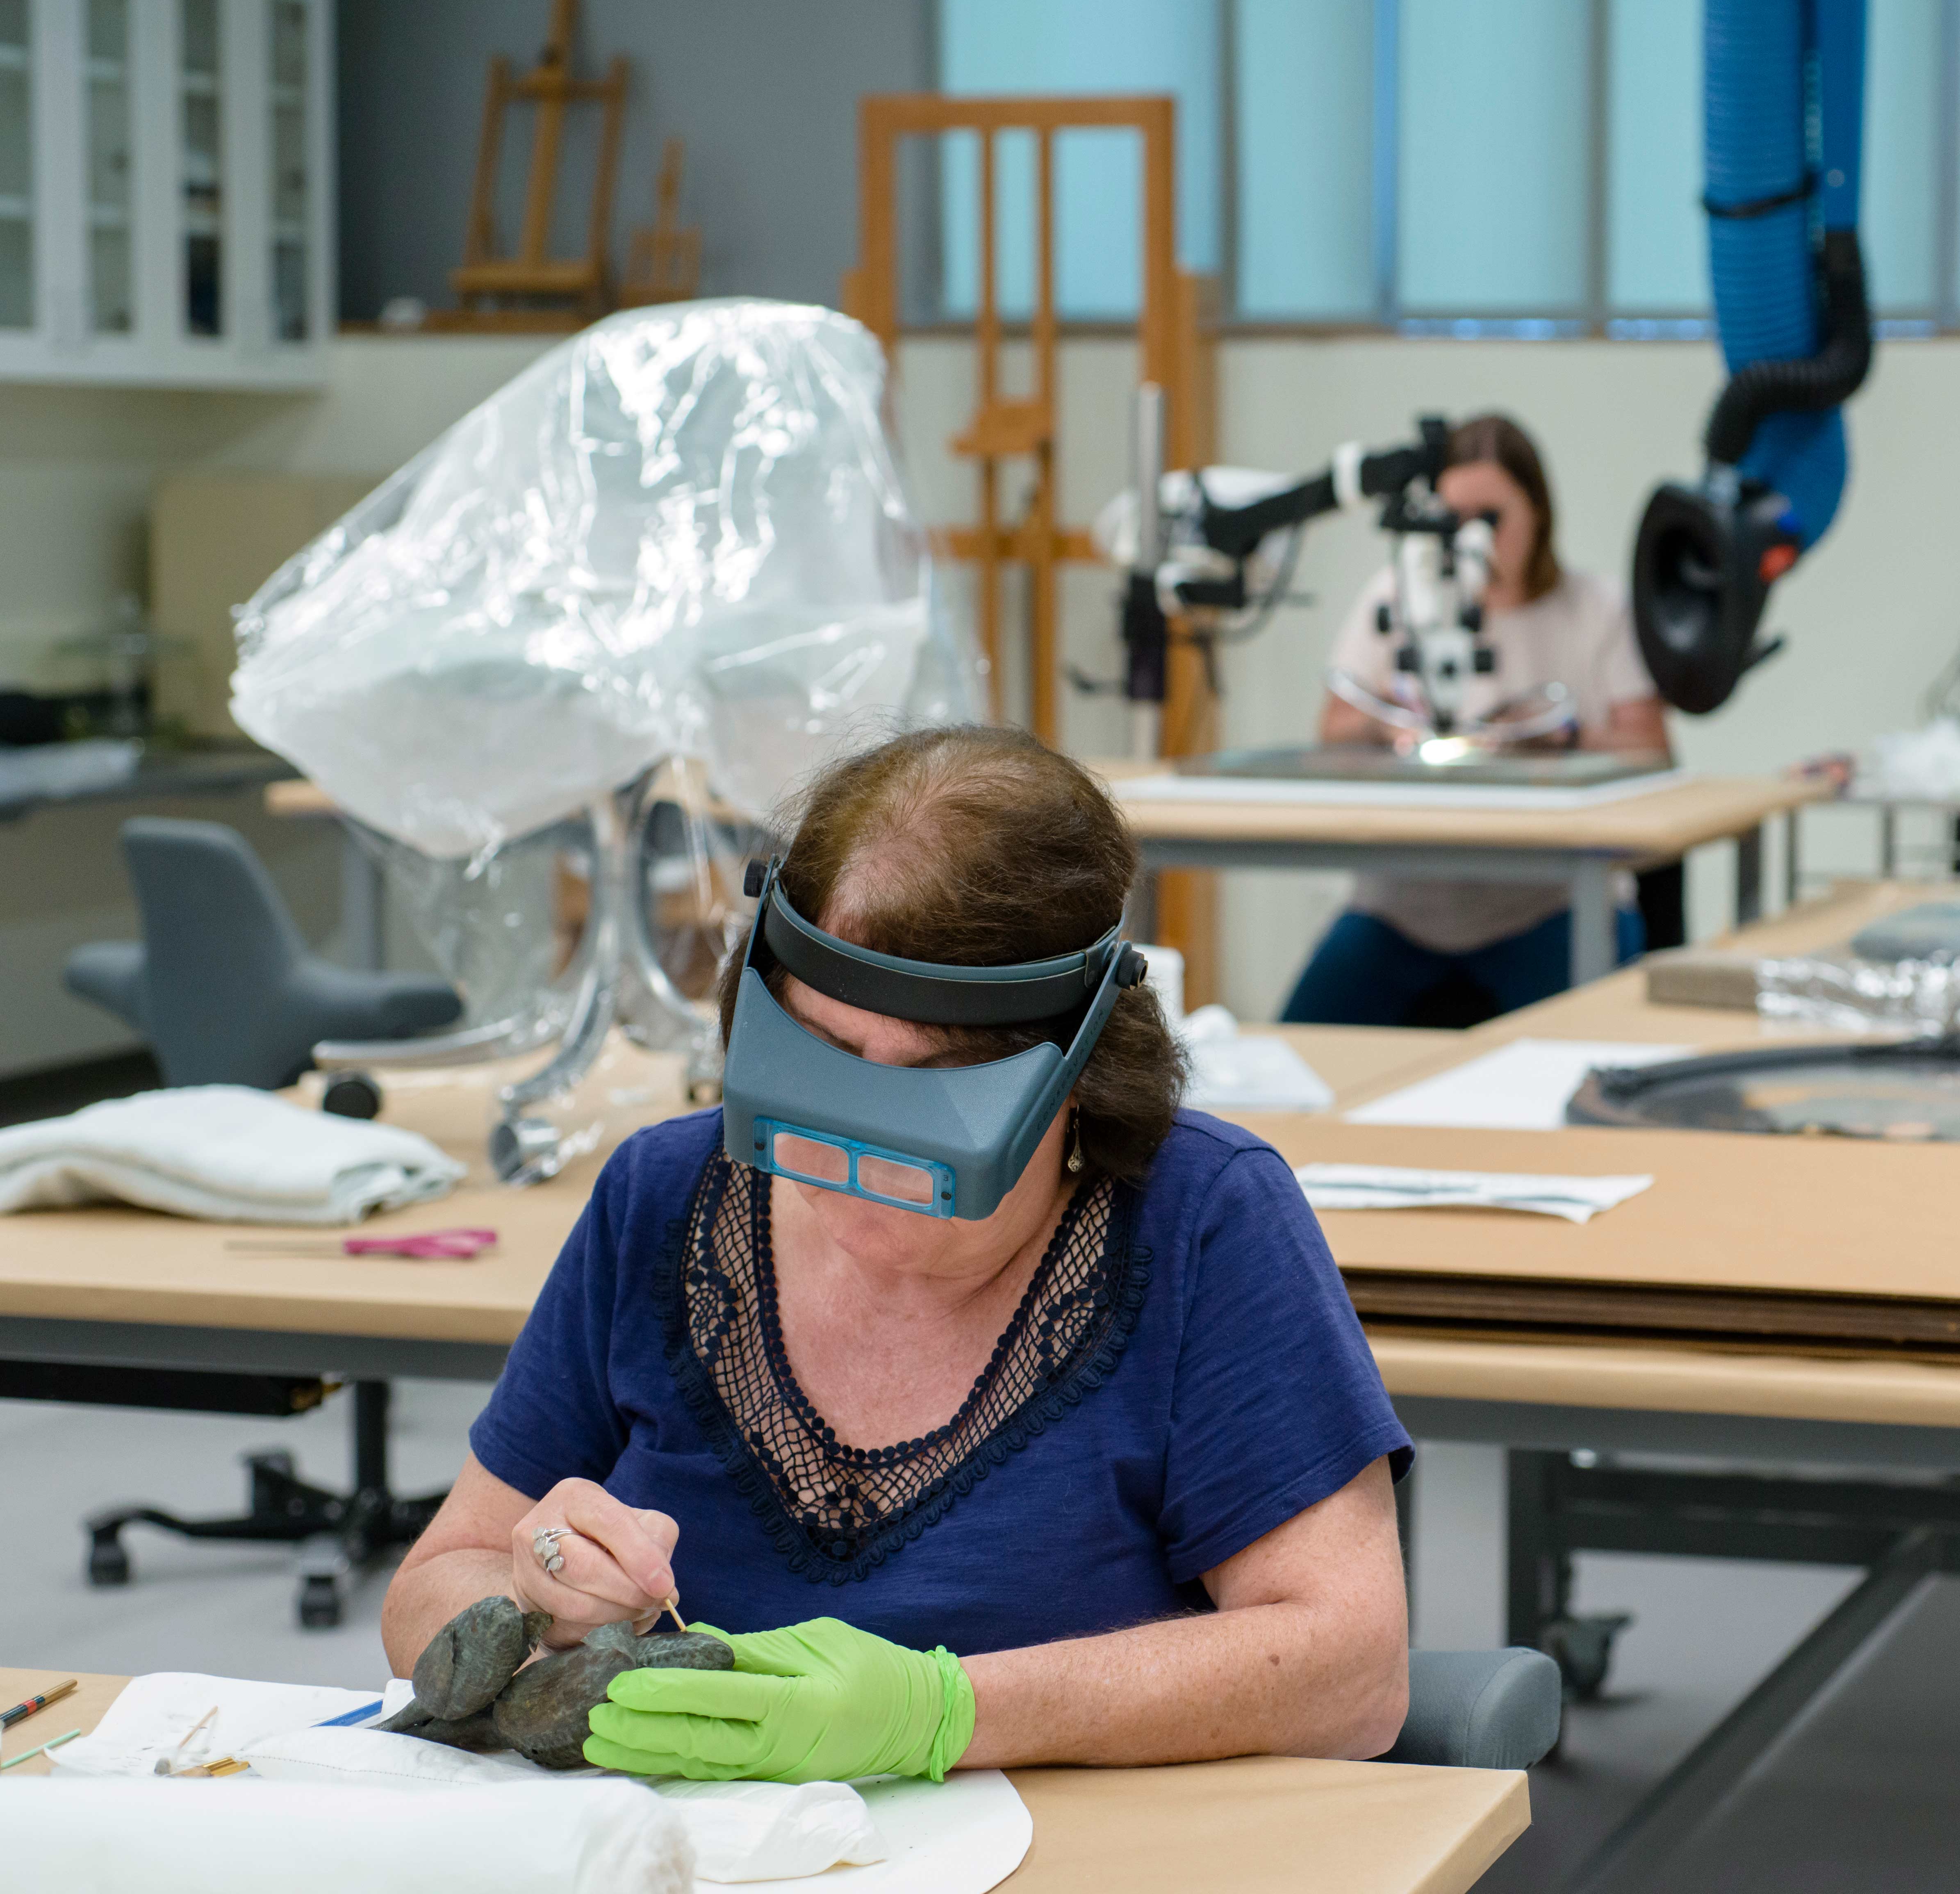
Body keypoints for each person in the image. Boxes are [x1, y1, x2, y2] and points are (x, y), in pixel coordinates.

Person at [380, 727, 1413, 1781]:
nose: (851, 1148)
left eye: (926, 1085)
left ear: (1078, 1069)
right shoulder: (661, 1194)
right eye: (822, 1060)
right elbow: (425, 1595)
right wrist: (530, 1596)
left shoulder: (1199, 1218)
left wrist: (948, 1713)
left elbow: (1352, 1669)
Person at [1281, 413, 1671, 1028]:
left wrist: (1557, 738)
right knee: (1302, 1050)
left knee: (1581, 1058)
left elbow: (1652, 749)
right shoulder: (1399, 595)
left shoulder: (1597, 609)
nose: (1471, 541)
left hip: (1548, 903)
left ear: (1537, 512)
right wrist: (1391, 727)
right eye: (1453, 520)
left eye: (1491, 519)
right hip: (1403, 907)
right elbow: (1336, 726)